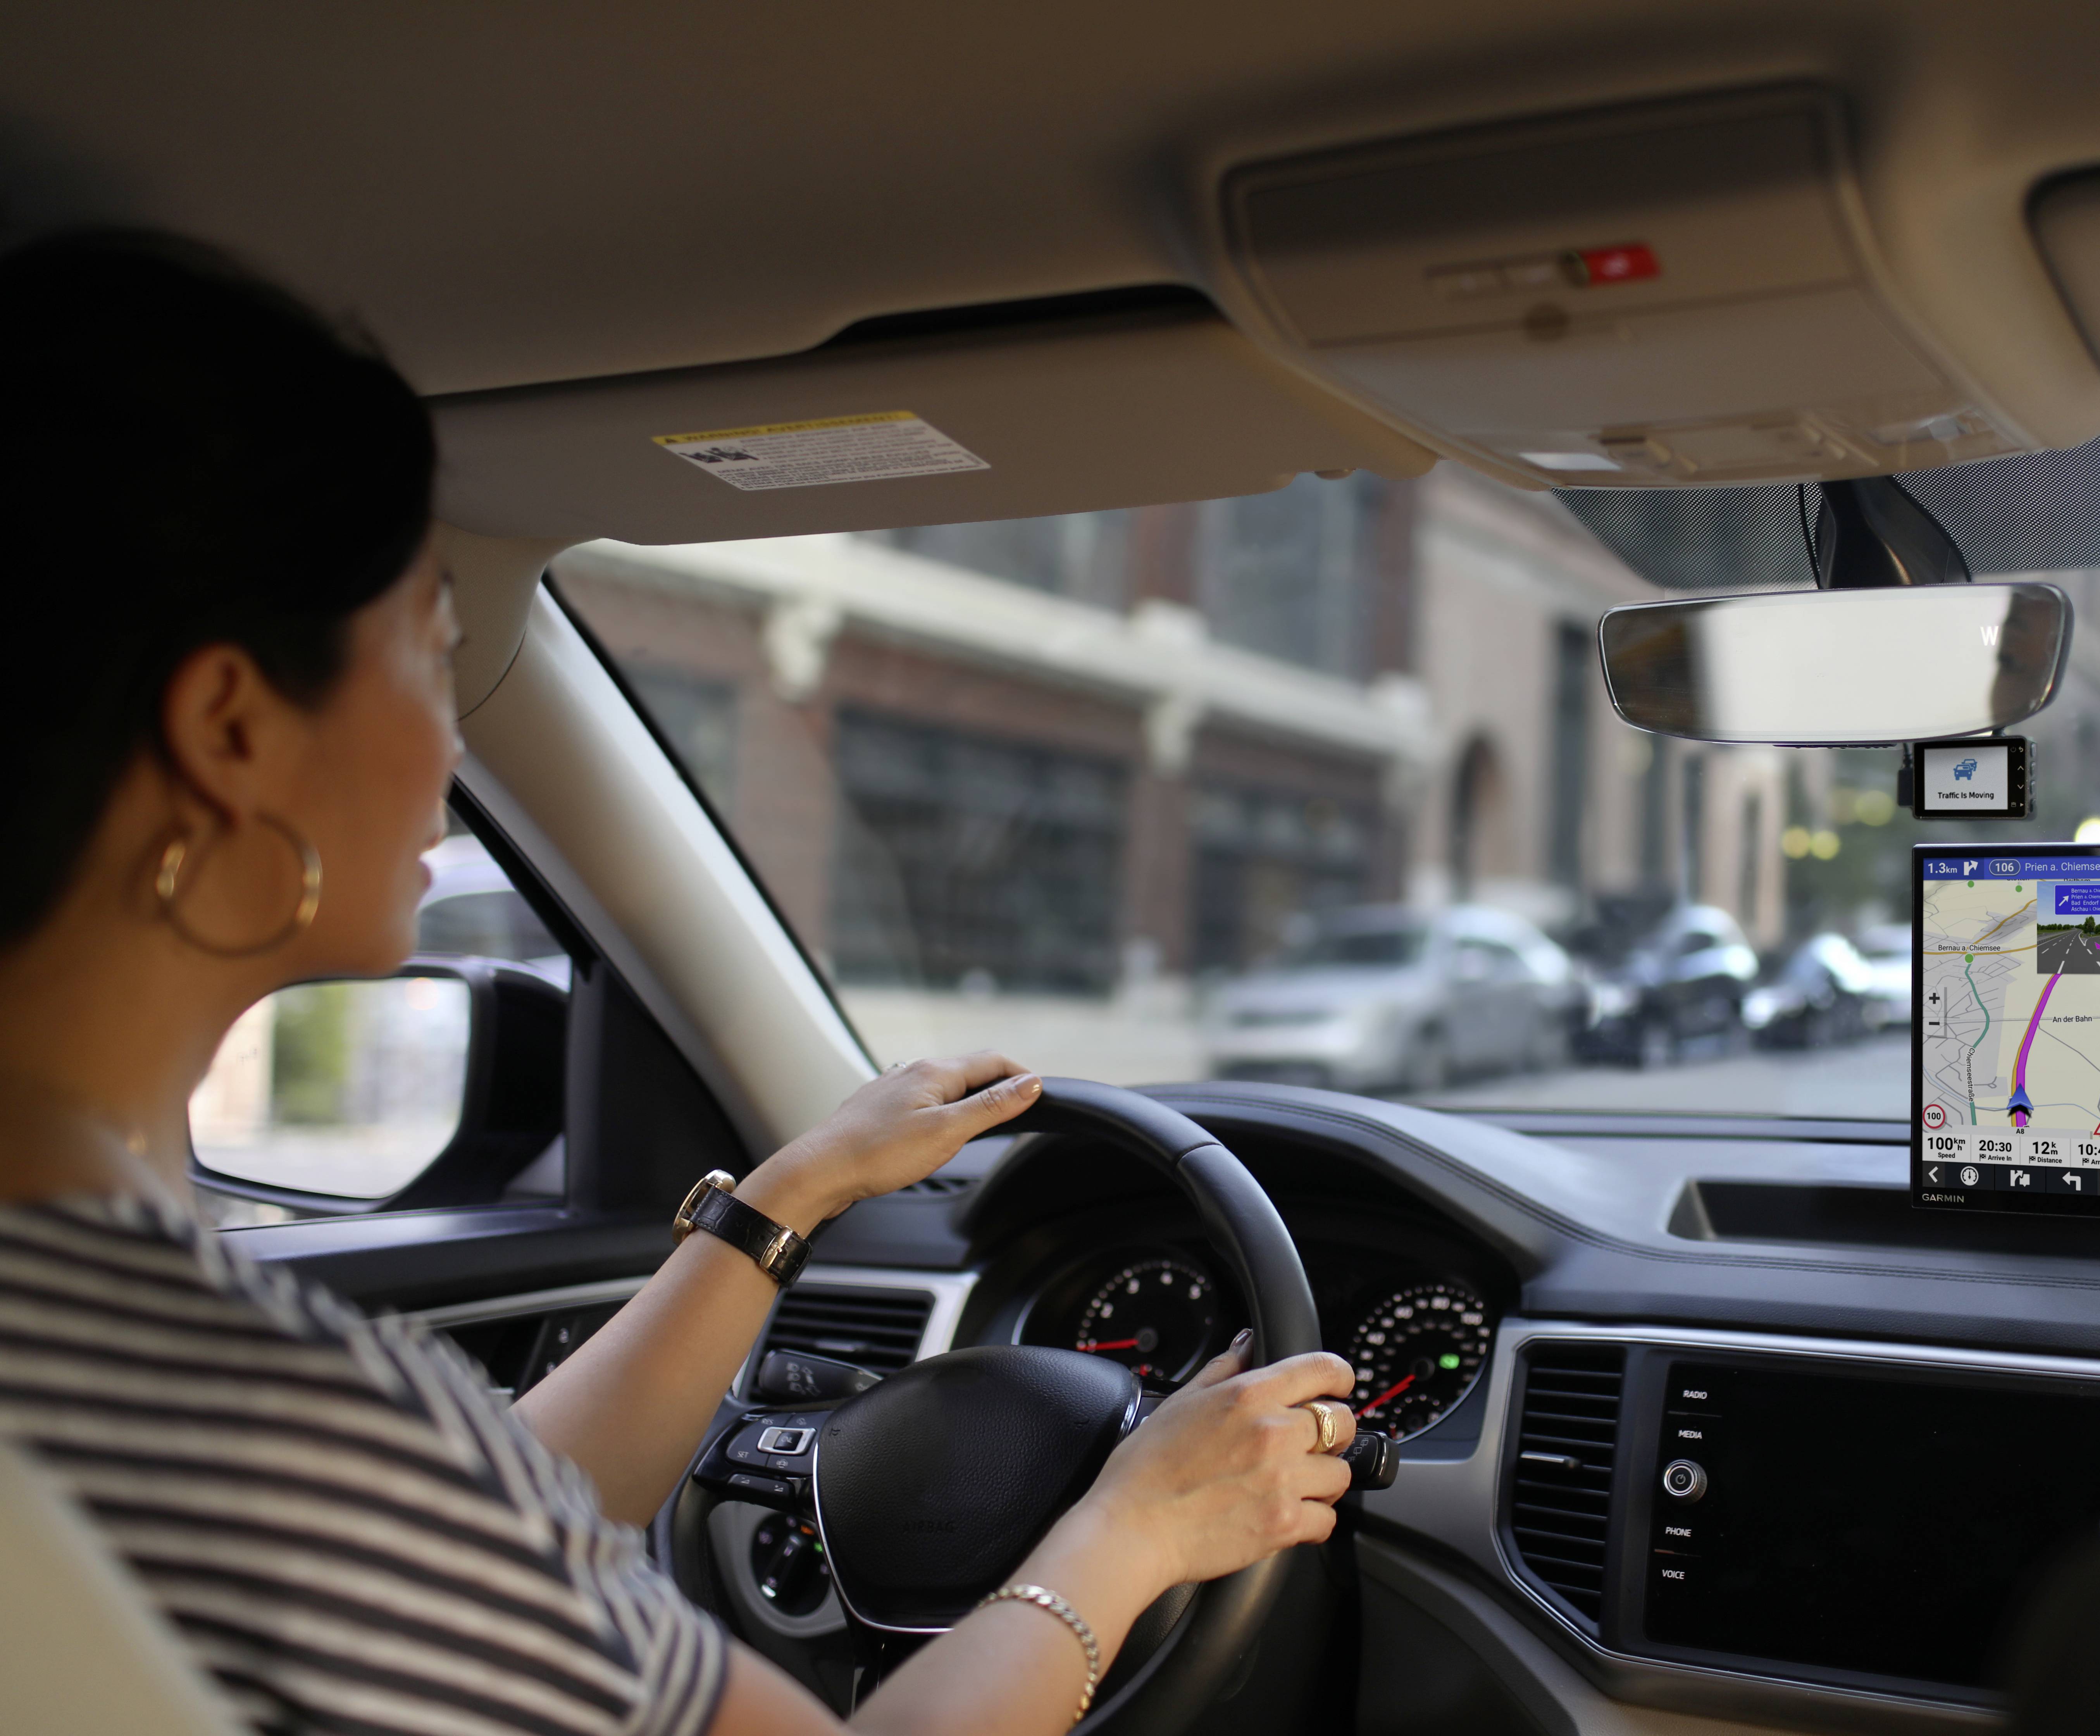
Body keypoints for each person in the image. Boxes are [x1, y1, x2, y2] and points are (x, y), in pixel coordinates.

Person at [0, 230, 1358, 1736]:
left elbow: (465, 1534)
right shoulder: (237, 1391)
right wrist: (1137, 1530)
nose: (451, 748)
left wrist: (787, 1197)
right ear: (233, 731)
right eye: (427, 654)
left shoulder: (155, 1378)